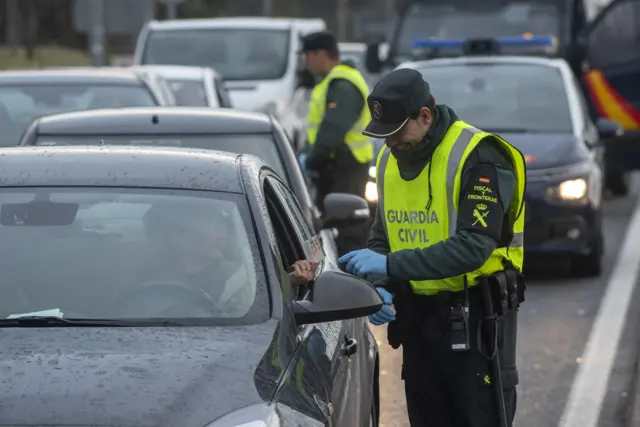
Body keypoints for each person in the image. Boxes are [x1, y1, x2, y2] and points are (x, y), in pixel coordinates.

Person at [339, 69, 527, 427]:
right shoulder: (388, 159)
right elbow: (384, 233)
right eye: (383, 135)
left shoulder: (479, 156)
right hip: (420, 326)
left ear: (425, 116)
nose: (390, 143)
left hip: (476, 328)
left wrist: (391, 266)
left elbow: (473, 247)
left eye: (396, 132)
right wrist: (380, 285)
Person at [299, 31, 375, 255]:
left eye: (307, 55)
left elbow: (331, 132)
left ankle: (353, 279)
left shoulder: (342, 85)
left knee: (348, 229)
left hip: (345, 168)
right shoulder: (332, 82)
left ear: (320, 54)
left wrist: (309, 160)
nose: (306, 62)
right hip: (336, 168)